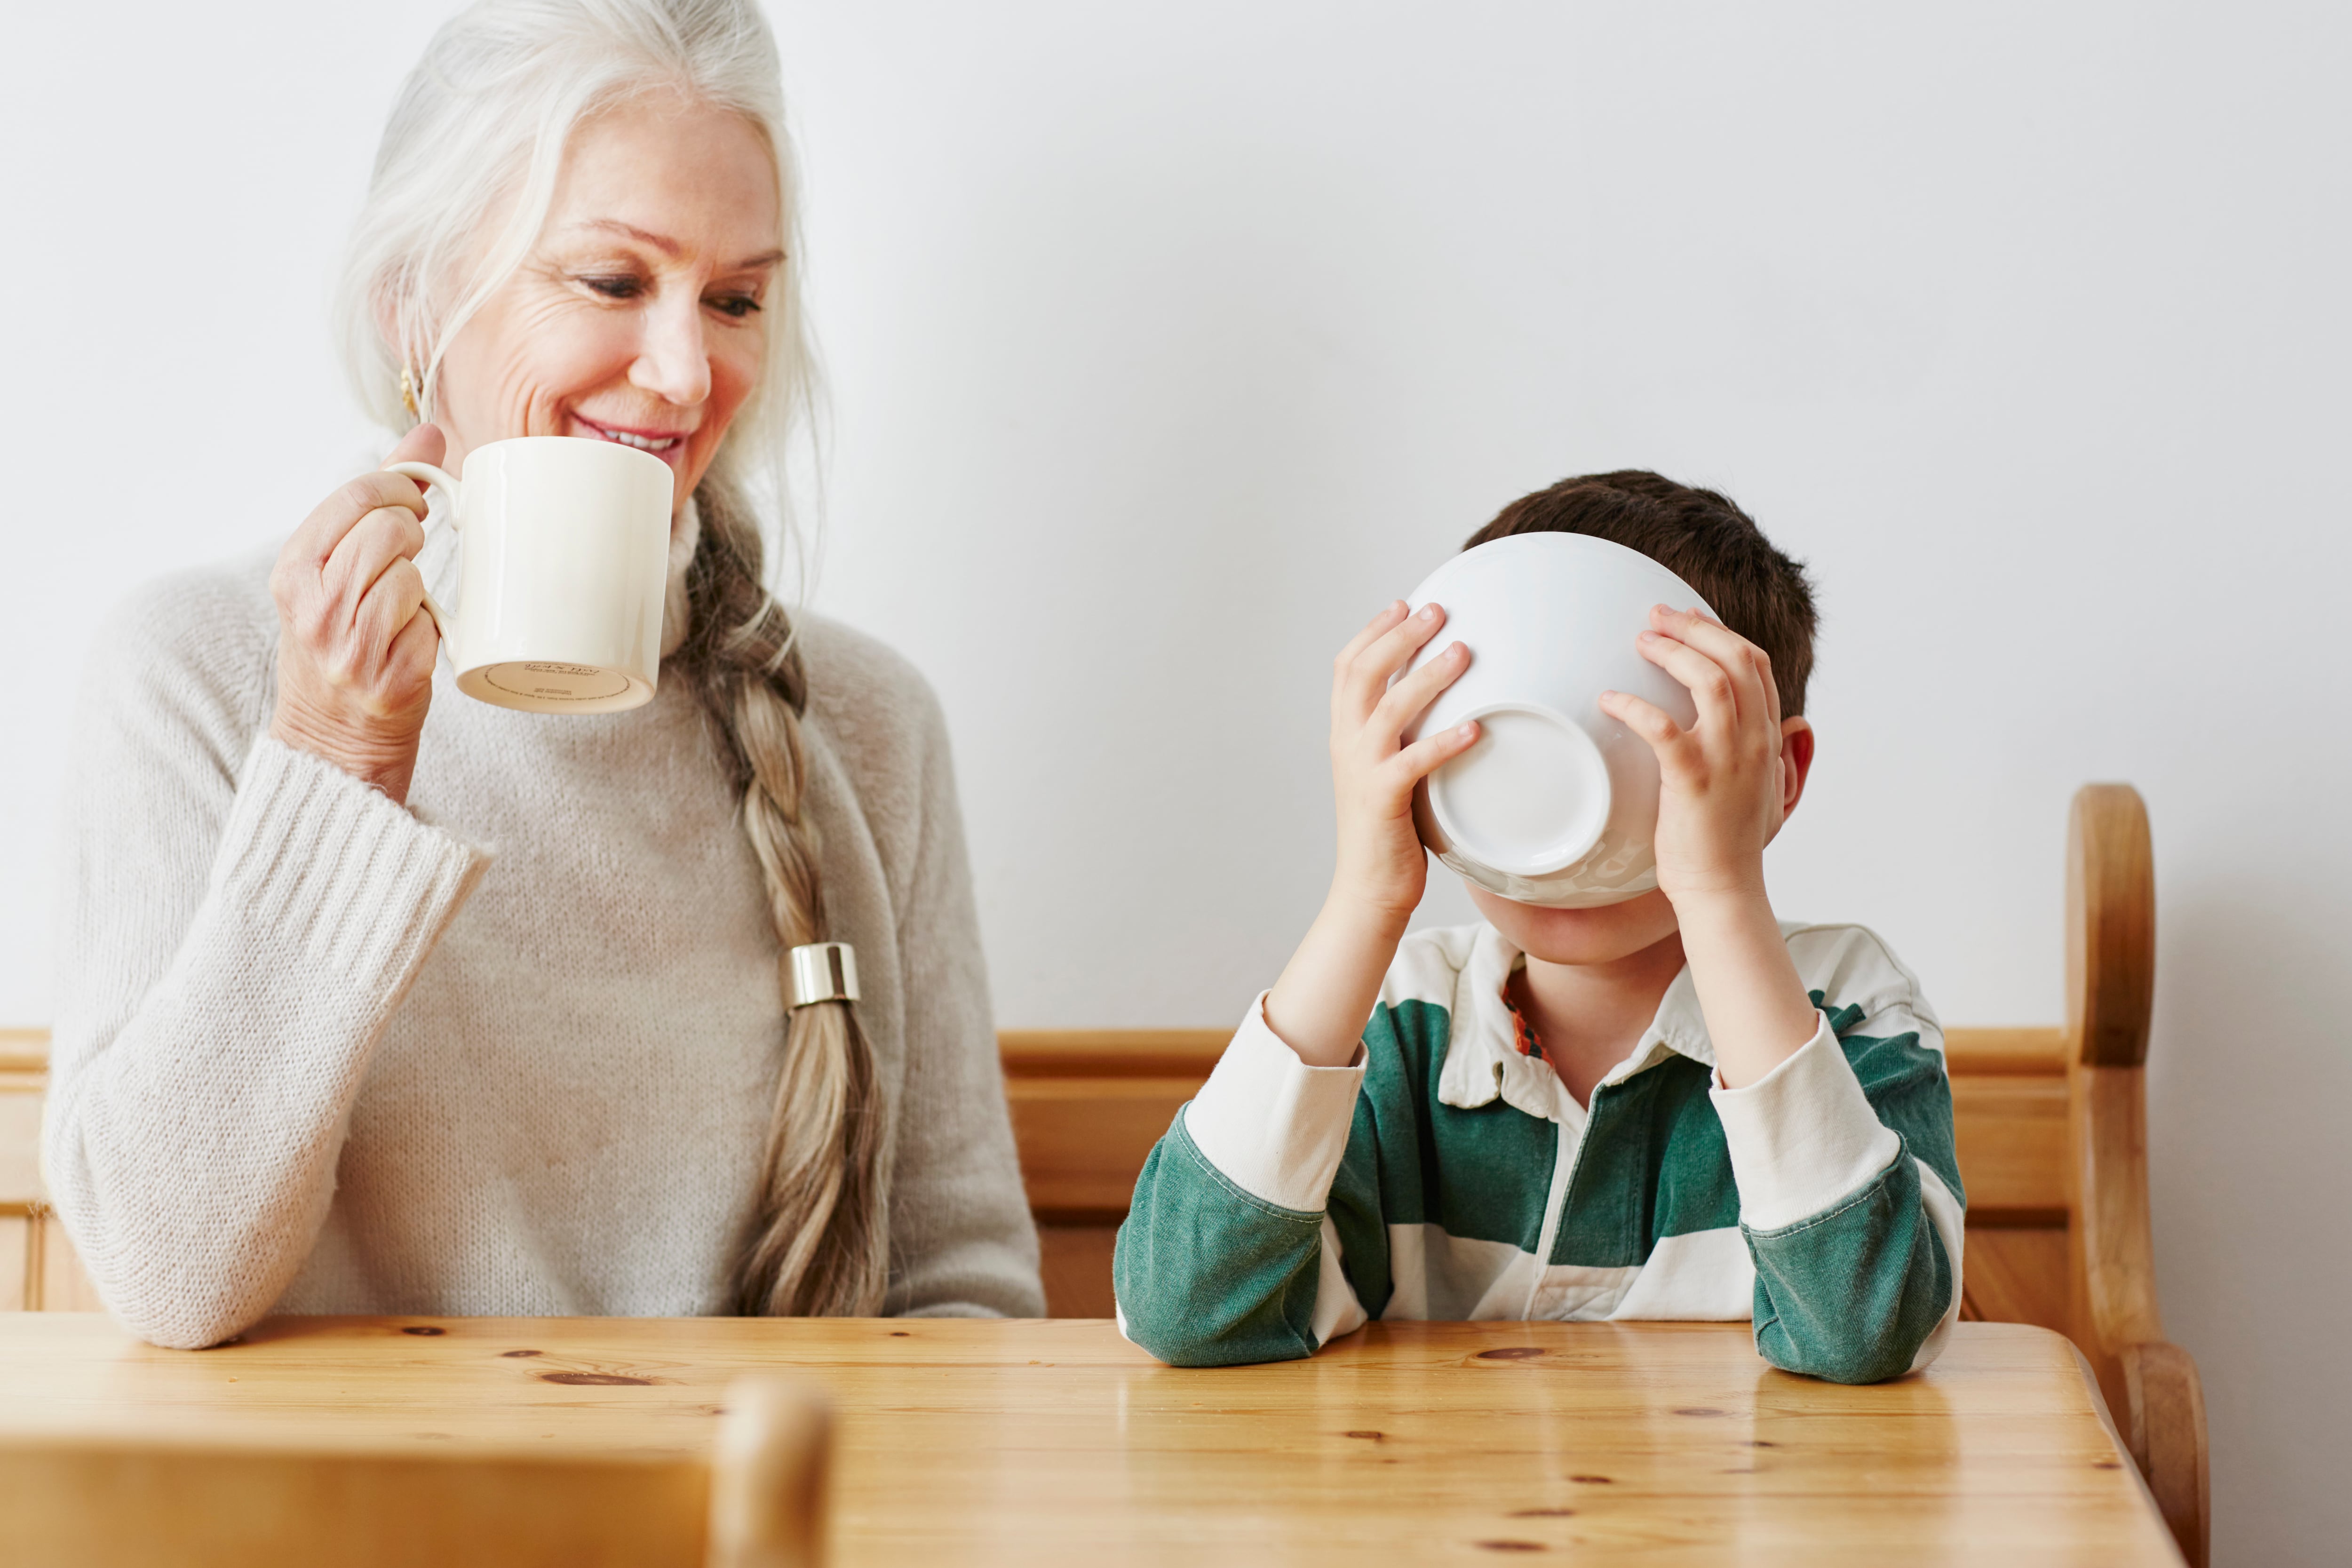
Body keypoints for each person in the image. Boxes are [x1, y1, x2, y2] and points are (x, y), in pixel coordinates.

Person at [42, 0, 1042, 1351]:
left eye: (736, 299)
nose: (689, 372)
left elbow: (964, 1297)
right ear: (417, 307)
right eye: (615, 282)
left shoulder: (867, 723)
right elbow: (170, 1276)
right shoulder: (196, 678)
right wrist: (336, 765)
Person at [1114, 471, 1963, 1381]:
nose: (1567, 839)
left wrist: (1719, 890)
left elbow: (1868, 1332)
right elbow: (1186, 1307)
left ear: (1778, 775)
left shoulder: (1844, 1006)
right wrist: (1365, 896)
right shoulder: (1396, 1020)